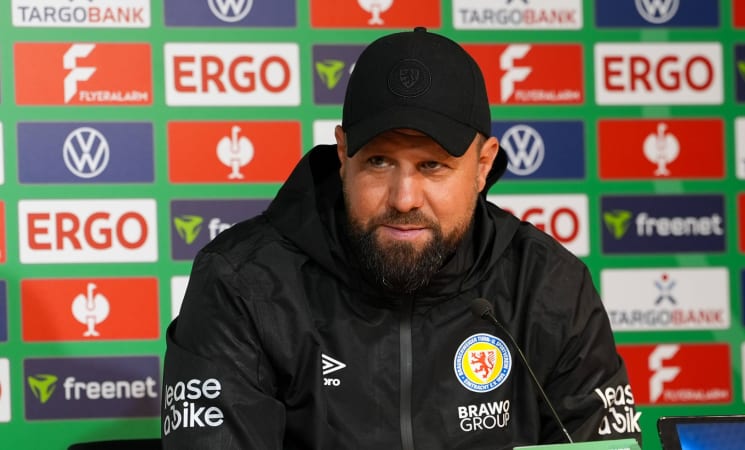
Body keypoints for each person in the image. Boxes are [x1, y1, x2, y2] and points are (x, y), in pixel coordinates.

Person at [161, 27, 641, 449]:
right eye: (379, 162)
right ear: (344, 153)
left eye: (432, 165)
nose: (405, 197)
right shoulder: (242, 285)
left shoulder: (548, 288)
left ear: (483, 165)